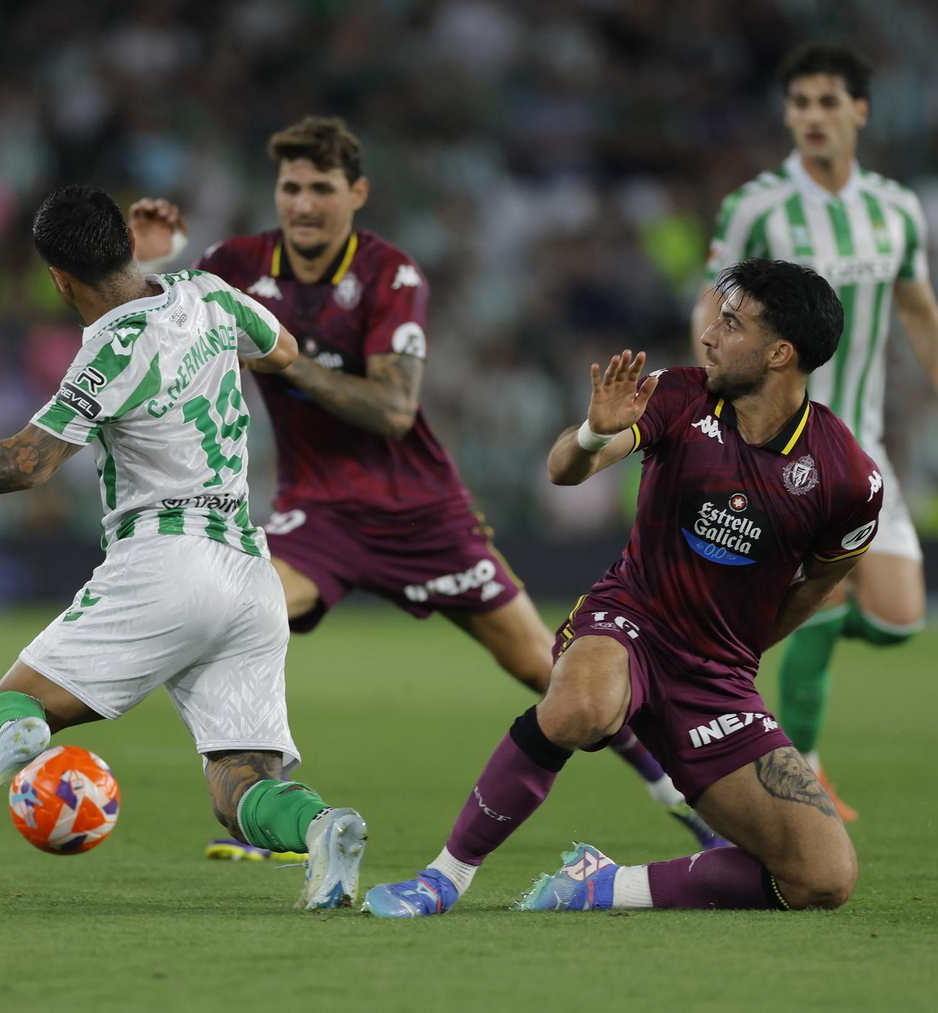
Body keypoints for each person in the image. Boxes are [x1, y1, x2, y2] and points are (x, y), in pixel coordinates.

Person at [131, 115, 724, 861]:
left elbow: (392, 408)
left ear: (357, 193)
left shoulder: (391, 273)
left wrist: (280, 356)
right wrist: (144, 267)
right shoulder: (234, 264)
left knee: (549, 668)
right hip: (318, 514)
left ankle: (689, 804)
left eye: (321, 188)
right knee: (238, 620)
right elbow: (136, 332)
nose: (303, 204)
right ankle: (272, 809)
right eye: (290, 188)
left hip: (423, 514)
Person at [0, 183, 369, 911]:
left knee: (11, 705)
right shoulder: (210, 294)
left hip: (165, 562)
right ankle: (324, 827)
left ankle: (20, 738)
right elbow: (284, 350)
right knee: (240, 784)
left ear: (57, 278)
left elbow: (31, 461)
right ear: (124, 242)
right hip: (249, 571)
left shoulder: (108, 351)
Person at [363, 259, 883, 917]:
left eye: (732, 324)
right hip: (628, 622)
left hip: (716, 675)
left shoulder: (845, 477)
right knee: (582, 704)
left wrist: (743, 649)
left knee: (822, 877)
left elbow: (824, 580)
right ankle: (442, 877)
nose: (710, 336)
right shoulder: (679, 395)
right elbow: (564, 470)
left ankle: (602, 886)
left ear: (781, 352)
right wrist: (593, 432)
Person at [694, 43, 938, 818]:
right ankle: (801, 765)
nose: (812, 117)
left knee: (900, 620)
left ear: (860, 109)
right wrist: (710, 401)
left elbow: (919, 312)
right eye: (800, 104)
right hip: (778, 444)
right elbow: (712, 309)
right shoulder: (756, 205)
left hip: (863, 446)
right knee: (816, 599)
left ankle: (791, 623)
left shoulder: (896, 208)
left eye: (828, 102)